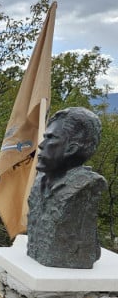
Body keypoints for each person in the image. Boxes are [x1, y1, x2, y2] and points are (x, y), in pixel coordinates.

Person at [27, 106, 107, 268]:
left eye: (51, 138)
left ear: (71, 148)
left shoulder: (85, 186)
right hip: (38, 256)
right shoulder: (39, 182)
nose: (41, 145)